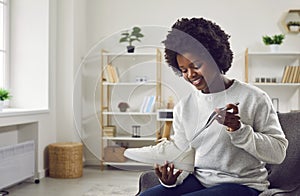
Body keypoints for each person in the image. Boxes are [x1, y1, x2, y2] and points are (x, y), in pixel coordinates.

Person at [139, 17, 288, 196]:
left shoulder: (253, 97)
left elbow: (278, 153)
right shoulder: (184, 107)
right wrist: (171, 179)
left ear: (216, 58)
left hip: (242, 185)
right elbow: (183, 158)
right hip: (200, 181)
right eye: (184, 70)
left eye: (196, 66)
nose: (190, 75)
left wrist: (238, 130)